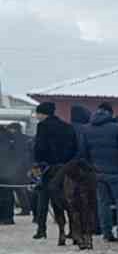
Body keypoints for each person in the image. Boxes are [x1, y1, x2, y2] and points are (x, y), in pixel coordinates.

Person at [80, 102, 118, 243]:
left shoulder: (86, 129)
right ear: (111, 113)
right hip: (117, 172)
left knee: (103, 203)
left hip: (97, 172)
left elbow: (83, 152)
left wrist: (93, 167)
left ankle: (107, 232)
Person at [31, 102, 79, 240]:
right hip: (65, 167)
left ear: (43, 113)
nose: (36, 116)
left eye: (38, 113)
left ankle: (41, 229)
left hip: (48, 167)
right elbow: (75, 146)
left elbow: (39, 147)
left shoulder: (42, 126)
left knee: (43, 198)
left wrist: (38, 163)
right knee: (67, 199)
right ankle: (72, 230)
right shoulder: (68, 127)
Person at [1, 123, 31, 224]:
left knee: (9, 194)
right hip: (14, 170)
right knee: (12, 193)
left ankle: (6, 217)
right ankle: (8, 217)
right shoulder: (12, 138)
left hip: (5, 171)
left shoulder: (5, 140)